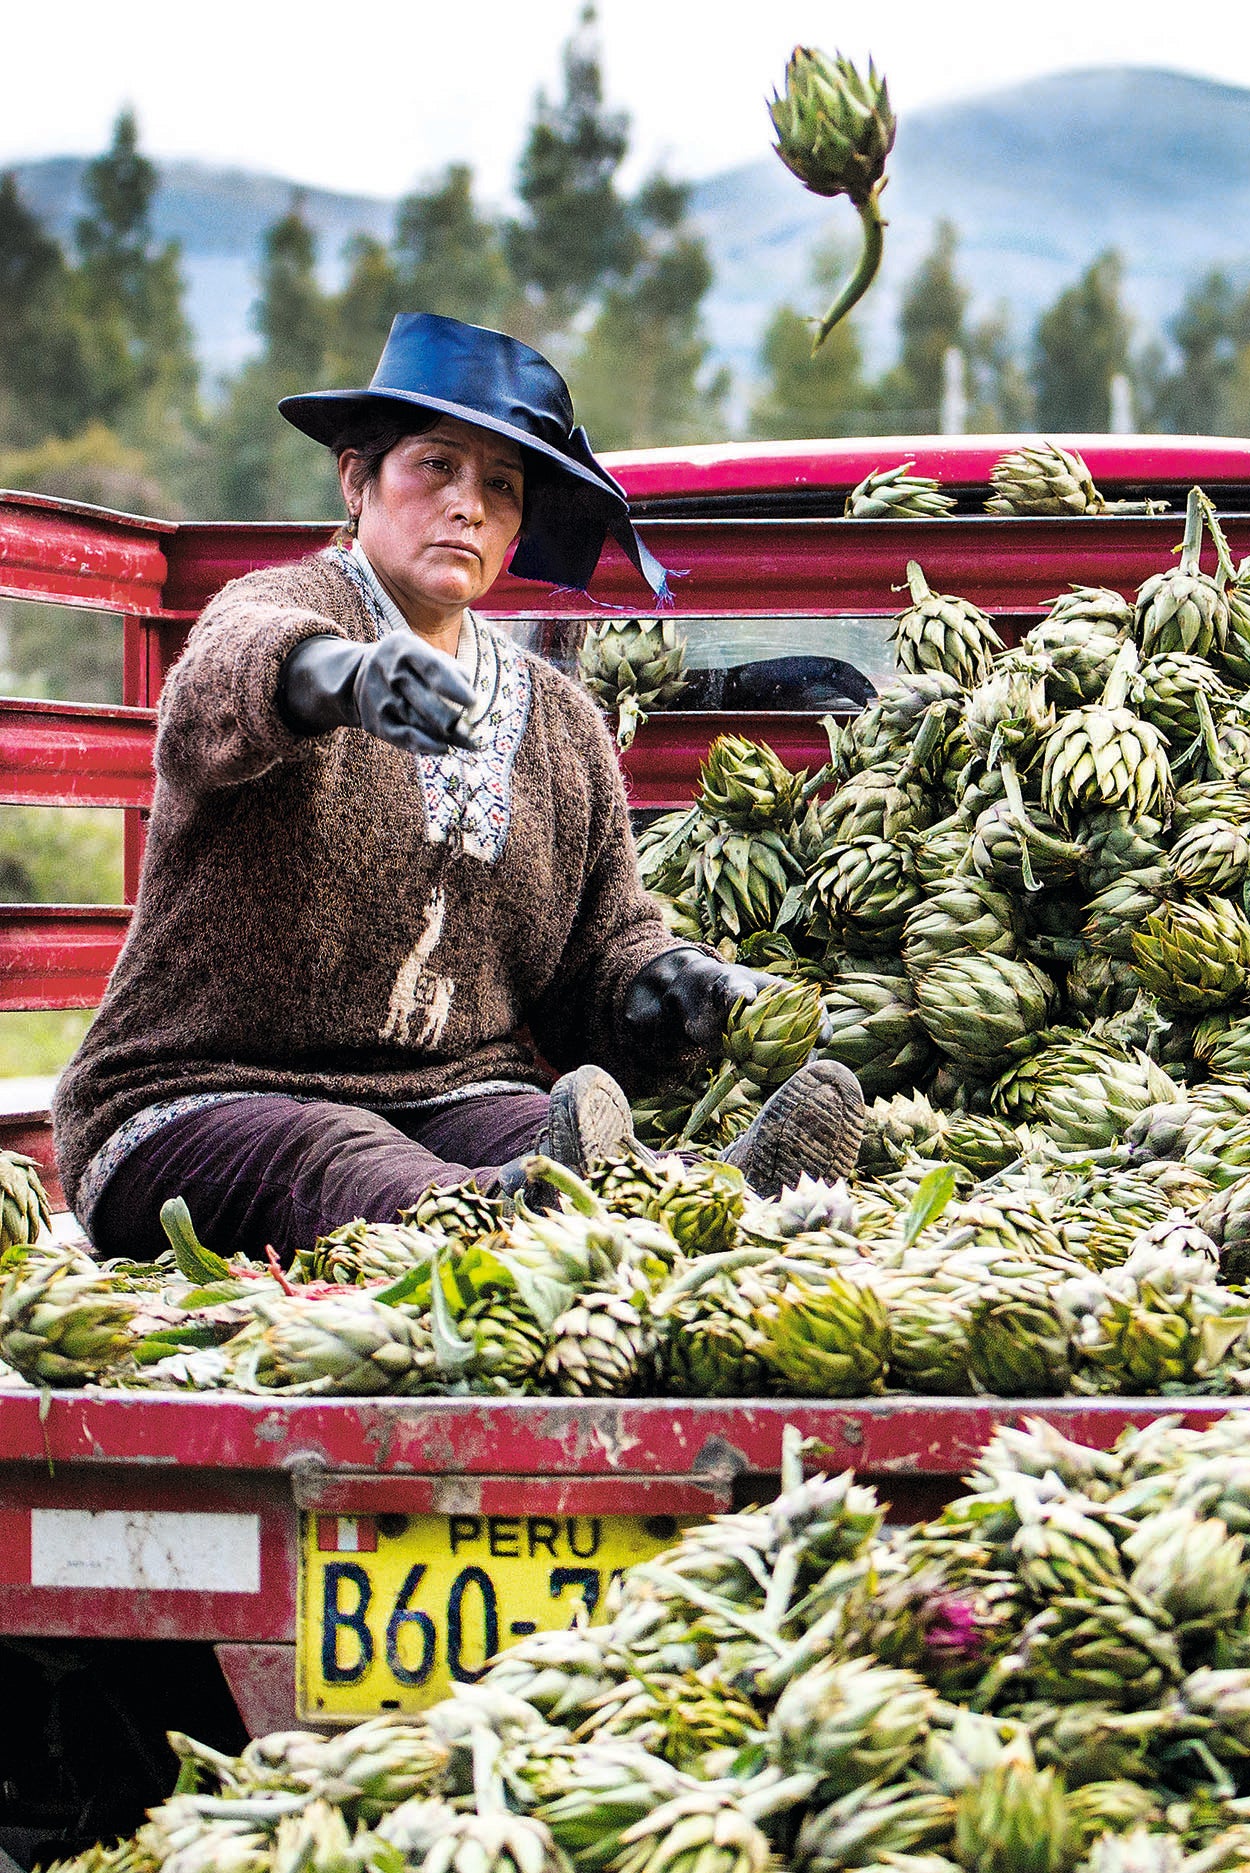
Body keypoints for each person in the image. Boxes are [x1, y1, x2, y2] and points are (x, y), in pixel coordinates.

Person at [53, 313, 865, 1261]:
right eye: (435, 466)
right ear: (356, 478)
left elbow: (594, 967)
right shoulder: (288, 610)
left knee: (563, 1140)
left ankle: (725, 1210)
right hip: (196, 1100)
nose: (468, 506)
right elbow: (220, 684)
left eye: (501, 486)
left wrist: (677, 990)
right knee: (337, 1154)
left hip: (453, 1099)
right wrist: (347, 680)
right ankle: (524, 1219)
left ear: (519, 526)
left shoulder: (561, 725)